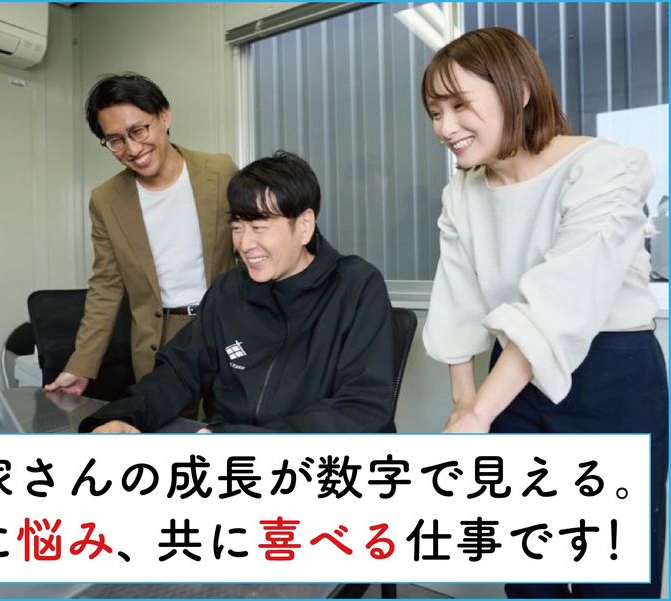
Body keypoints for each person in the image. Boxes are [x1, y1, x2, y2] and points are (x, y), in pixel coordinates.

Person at [420, 27, 667, 598]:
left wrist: (479, 414)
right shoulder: (462, 193)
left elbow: (556, 307)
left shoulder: (606, 168)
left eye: (459, 105)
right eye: (435, 112)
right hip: (513, 386)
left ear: (520, 90)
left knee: (613, 580)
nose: (445, 127)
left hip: (610, 381)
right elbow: (457, 303)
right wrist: (465, 408)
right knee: (531, 576)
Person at [79, 151, 395, 434]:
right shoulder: (229, 290)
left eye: (259, 227)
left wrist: (238, 441)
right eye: (237, 227)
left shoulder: (356, 287)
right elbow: (179, 371)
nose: (244, 244)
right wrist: (125, 416)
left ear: (304, 226)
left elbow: (362, 409)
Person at [46, 73, 237, 402]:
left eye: (138, 130)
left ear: (164, 116)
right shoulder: (106, 200)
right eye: (115, 140)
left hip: (226, 326)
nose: (132, 149)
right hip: (159, 340)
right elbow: (106, 287)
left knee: (231, 423)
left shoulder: (220, 171)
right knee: (165, 428)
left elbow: (251, 251)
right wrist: (81, 365)